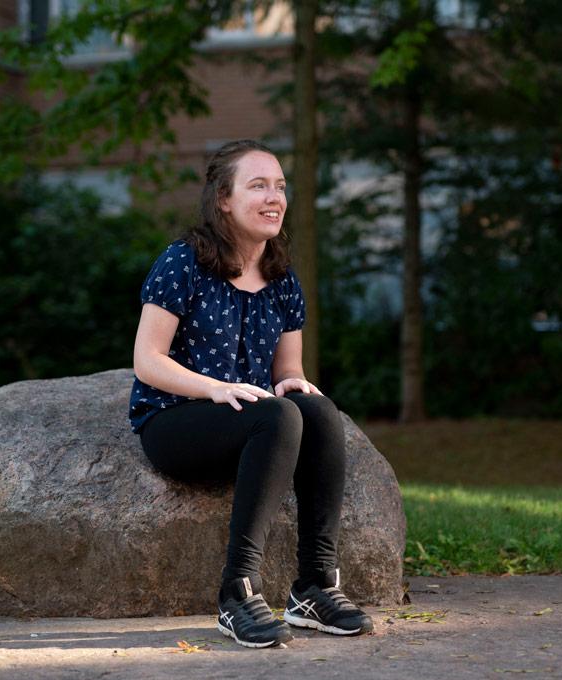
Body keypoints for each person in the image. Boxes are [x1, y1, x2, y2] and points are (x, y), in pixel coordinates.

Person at [128, 139, 374, 649]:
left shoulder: (282, 279)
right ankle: (237, 594)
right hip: (176, 420)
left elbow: (288, 369)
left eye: (280, 186)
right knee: (278, 417)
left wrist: (292, 382)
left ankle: (314, 587)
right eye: (258, 185)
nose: (274, 197)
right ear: (223, 199)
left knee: (317, 410)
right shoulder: (183, 263)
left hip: (252, 425)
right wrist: (215, 389)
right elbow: (148, 361)